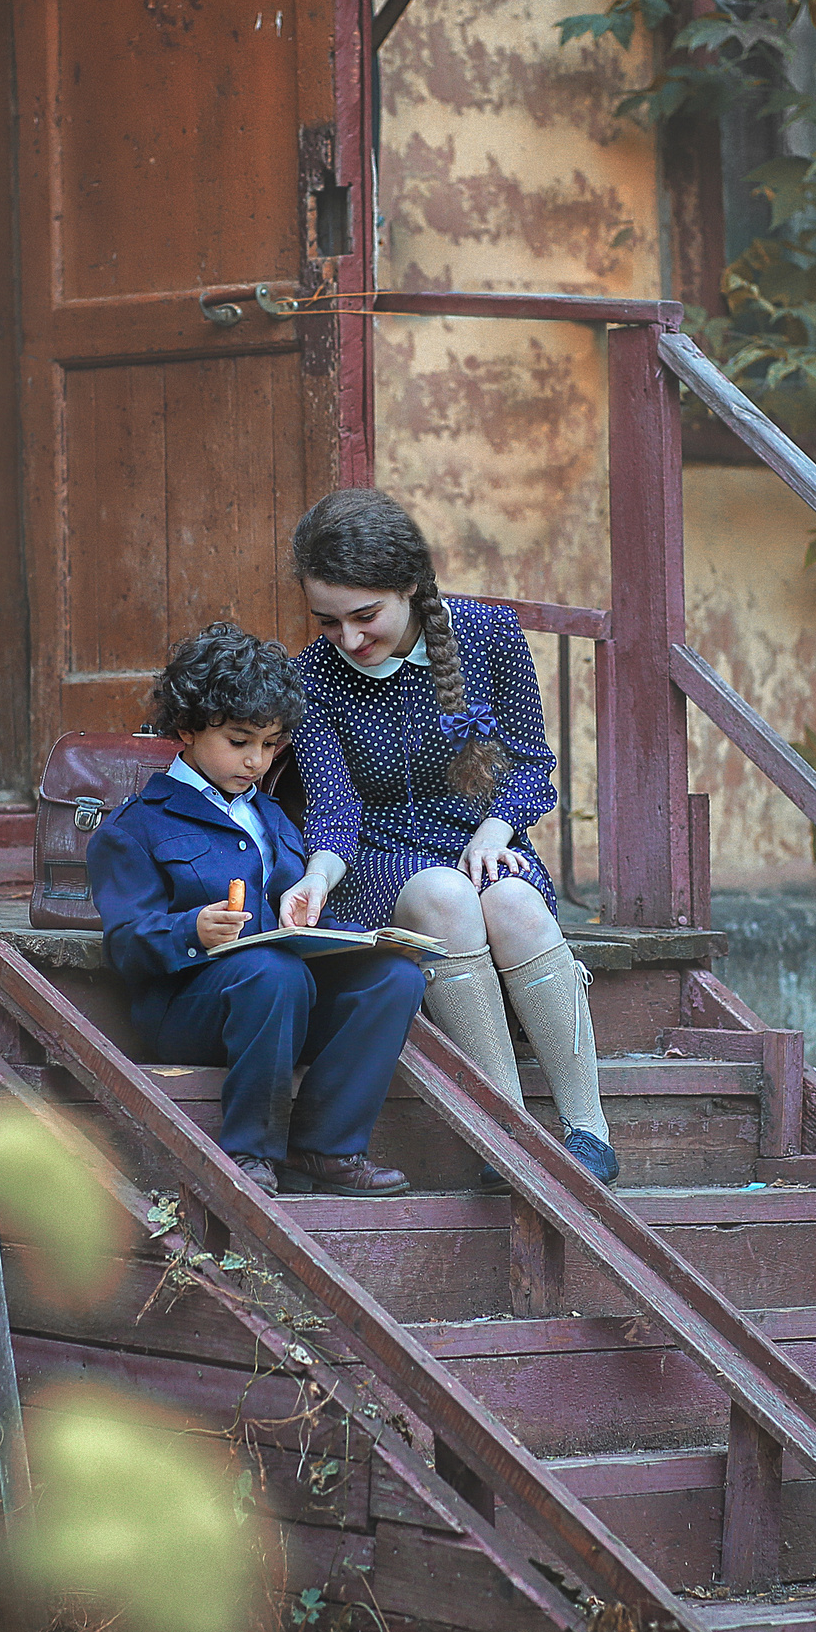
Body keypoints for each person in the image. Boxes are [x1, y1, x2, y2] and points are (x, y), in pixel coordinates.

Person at [277, 489, 619, 1186]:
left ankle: (589, 1133)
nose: (348, 639)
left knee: (514, 904)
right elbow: (335, 808)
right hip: (378, 855)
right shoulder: (312, 674)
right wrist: (315, 876)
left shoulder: (488, 634)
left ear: (409, 586)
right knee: (445, 896)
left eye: (365, 616)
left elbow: (530, 763)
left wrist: (497, 829)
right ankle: (506, 1134)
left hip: (478, 835)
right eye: (329, 620)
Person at [87, 621, 423, 1196]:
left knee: (394, 977)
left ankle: (326, 1147)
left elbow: (284, 917)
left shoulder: (270, 816)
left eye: (271, 745)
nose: (257, 761)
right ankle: (250, 1151)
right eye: (240, 742)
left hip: (283, 1001)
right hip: (191, 1013)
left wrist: (336, 927)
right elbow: (126, 942)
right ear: (187, 730)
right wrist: (192, 928)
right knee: (273, 973)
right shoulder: (134, 827)